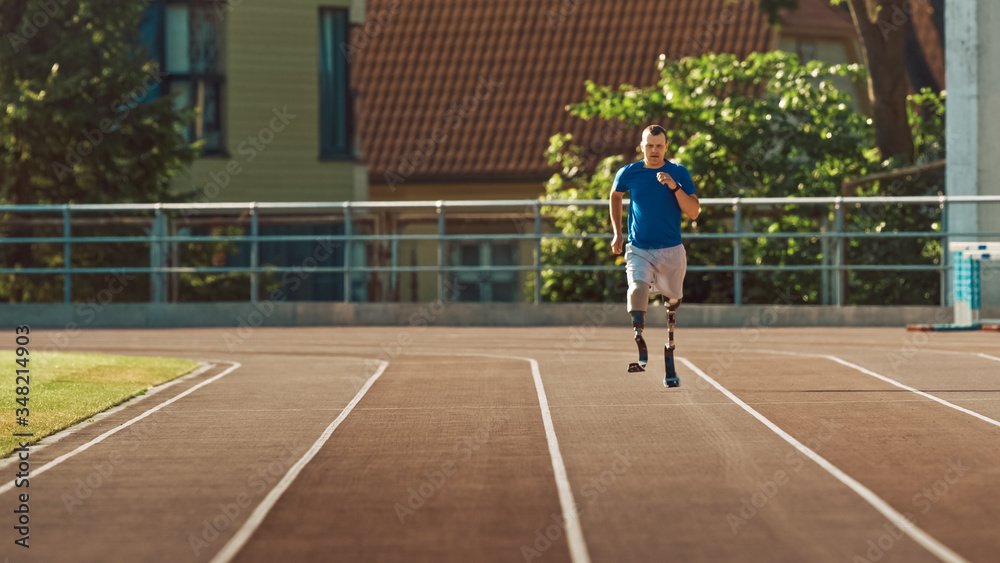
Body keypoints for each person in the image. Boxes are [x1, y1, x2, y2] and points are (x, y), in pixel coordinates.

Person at [609, 124, 700, 386]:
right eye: (649, 145)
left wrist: (674, 187)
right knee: (636, 287)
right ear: (642, 146)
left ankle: (669, 345)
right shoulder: (629, 172)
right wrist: (617, 233)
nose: (654, 150)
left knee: (672, 304)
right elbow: (615, 196)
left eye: (659, 145)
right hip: (639, 247)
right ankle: (639, 339)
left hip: (671, 251)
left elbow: (694, 212)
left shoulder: (678, 172)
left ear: (666, 147)